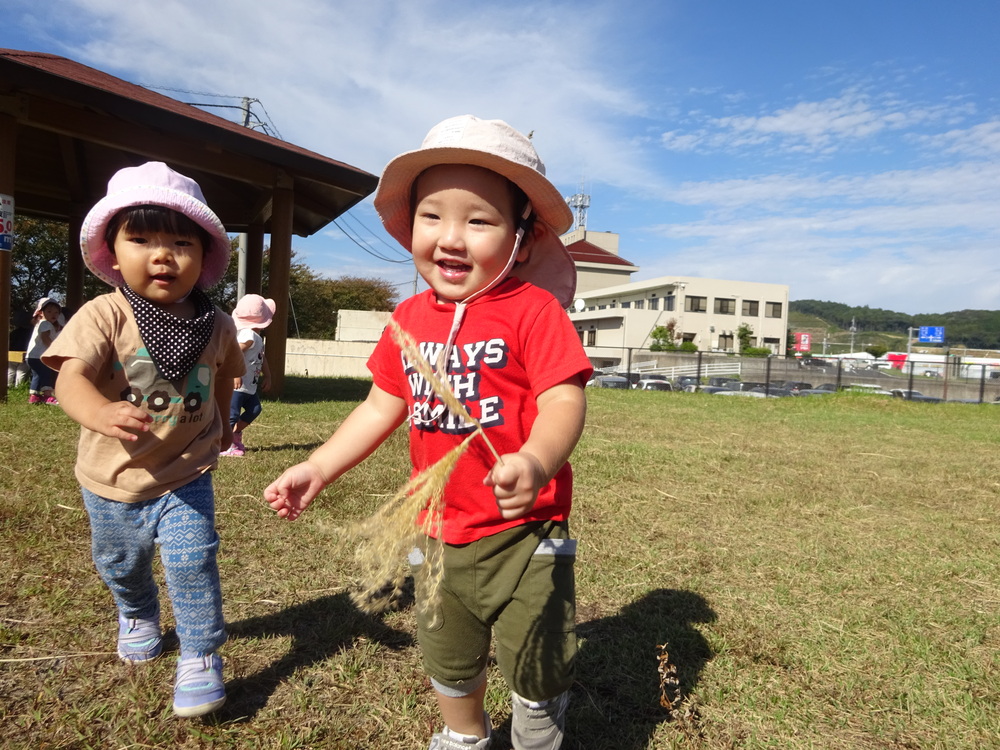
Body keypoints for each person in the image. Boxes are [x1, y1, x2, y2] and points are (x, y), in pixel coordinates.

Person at [265, 115, 592, 749]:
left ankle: (537, 720)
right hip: (437, 528)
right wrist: (317, 467)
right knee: (446, 653)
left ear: (522, 239)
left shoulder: (534, 312)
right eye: (432, 216)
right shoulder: (409, 319)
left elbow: (563, 401)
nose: (451, 237)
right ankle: (464, 735)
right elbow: (377, 407)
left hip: (526, 531)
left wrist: (535, 460)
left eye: (479, 220)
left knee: (537, 656)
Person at [42, 161, 245, 718]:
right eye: (142, 239)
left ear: (203, 258)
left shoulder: (217, 322)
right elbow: (70, 376)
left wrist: (225, 424)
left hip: (187, 469)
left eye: (181, 242)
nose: (162, 254)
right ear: (112, 250)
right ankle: (136, 611)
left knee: (192, 559)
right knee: (121, 562)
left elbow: (227, 373)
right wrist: (100, 411)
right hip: (114, 477)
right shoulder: (104, 313)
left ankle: (202, 654)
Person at [220, 294, 275, 457]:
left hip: (249, 386)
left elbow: (261, 358)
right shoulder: (247, 335)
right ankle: (225, 444)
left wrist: (268, 376)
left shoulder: (256, 337)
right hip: (237, 385)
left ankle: (234, 434)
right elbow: (231, 352)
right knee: (232, 415)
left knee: (255, 409)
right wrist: (234, 373)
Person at [26, 296, 64, 404]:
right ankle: (47, 396)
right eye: (49, 311)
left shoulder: (42, 323)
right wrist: (53, 349)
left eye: (56, 312)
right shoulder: (45, 323)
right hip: (39, 356)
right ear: (41, 313)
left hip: (32, 356)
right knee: (46, 374)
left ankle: (34, 396)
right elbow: (45, 337)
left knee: (37, 375)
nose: (53, 314)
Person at [8, 309, 32, 388]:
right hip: (24, 354)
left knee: (10, 372)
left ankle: (8, 385)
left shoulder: (13, 333)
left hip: (12, 354)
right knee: (21, 373)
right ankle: (18, 387)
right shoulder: (30, 333)